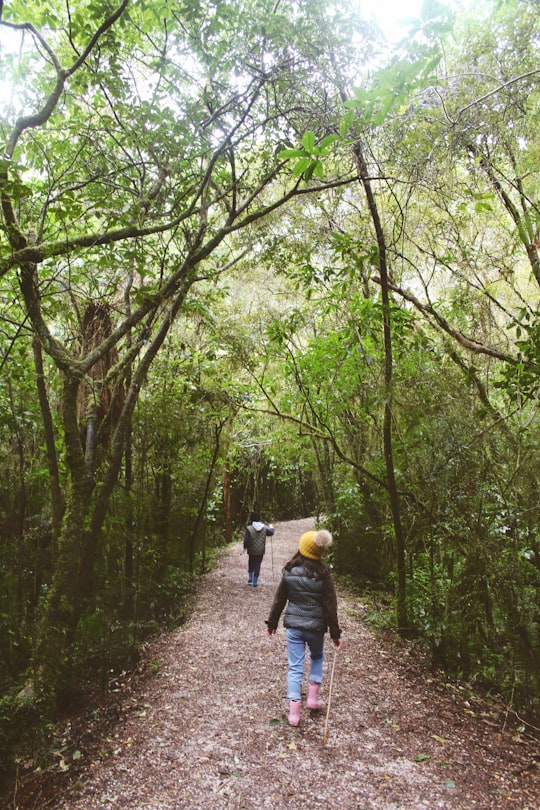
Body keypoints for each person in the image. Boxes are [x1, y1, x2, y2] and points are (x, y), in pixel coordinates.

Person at [265, 528, 342, 727]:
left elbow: (280, 599)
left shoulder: (290, 571)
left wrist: (272, 622)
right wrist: (335, 633)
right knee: (316, 657)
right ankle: (313, 699)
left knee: (295, 667)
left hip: (293, 627)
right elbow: (330, 606)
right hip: (316, 628)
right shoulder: (324, 574)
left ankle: (294, 714)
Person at [243, 511, 274, 587]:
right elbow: (271, 533)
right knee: (257, 565)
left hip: (251, 550)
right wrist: (271, 527)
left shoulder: (249, 528)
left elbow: (246, 540)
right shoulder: (263, 528)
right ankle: (255, 582)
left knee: (251, 562)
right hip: (260, 551)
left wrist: (244, 547)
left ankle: (250, 577)